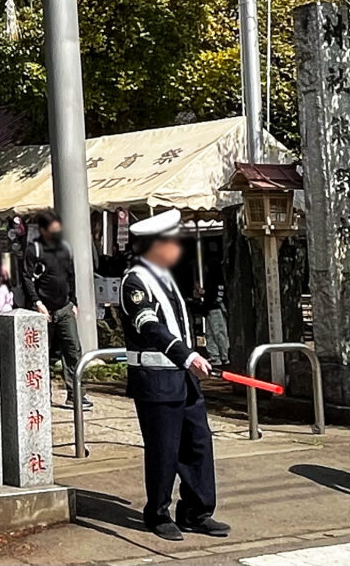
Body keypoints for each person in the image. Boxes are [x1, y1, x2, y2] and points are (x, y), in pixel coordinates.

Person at [119, 208, 228, 542]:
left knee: (198, 443)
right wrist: (187, 355)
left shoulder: (166, 278)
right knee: (164, 449)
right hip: (155, 379)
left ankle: (197, 511)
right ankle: (158, 513)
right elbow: (148, 326)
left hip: (183, 378)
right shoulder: (135, 282)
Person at [21, 210, 86, 410]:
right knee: (41, 353)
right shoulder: (34, 249)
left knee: (73, 350)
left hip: (65, 307)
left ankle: (76, 394)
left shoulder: (65, 248)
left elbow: (71, 276)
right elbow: (26, 278)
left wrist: (74, 301)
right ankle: (42, 395)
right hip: (43, 309)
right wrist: (37, 302)